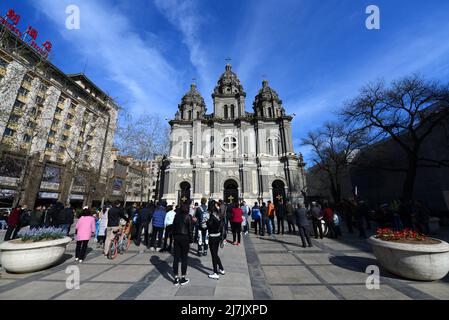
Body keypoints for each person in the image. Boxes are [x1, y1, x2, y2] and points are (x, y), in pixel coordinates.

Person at [172, 204, 193, 286]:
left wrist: (173, 237)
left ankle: (176, 278)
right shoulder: (188, 216)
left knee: (176, 258)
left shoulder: (176, 216)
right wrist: (191, 240)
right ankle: (183, 278)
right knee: (184, 258)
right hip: (185, 238)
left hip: (177, 238)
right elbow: (190, 230)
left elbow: (173, 227)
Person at [207, 200, 226, 280]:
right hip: (218, 236)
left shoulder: (211, 215)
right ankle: (221, 269)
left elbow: (210, 226)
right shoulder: (218, 214)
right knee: (215, 254)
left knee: (213, 255)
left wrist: (207, 222)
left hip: (212, 237)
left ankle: (215, 272)